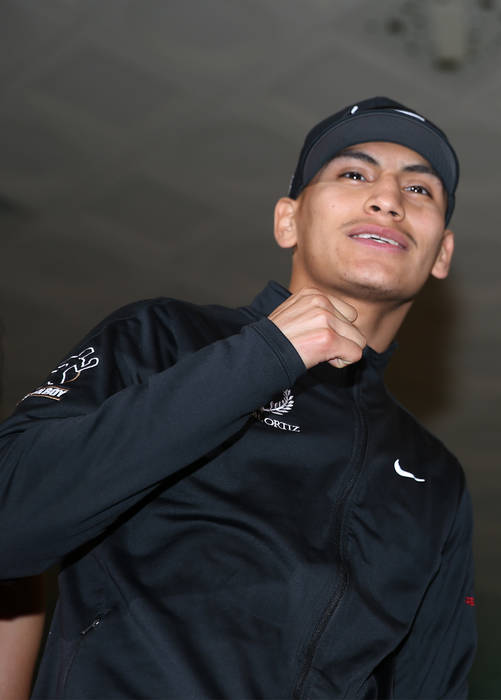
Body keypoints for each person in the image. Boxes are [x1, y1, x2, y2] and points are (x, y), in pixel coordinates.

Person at [0, 96, 476, 698]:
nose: (387, 199)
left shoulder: (434, 475)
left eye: (420, 191)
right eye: (354, 175)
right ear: (287, 220)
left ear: (443, 254)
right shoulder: (163, 339)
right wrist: (265, 356)